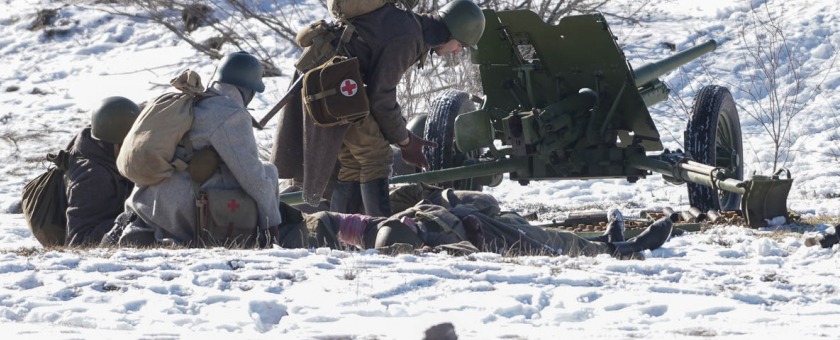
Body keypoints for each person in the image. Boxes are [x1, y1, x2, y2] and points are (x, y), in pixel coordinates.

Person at [272, 0, 487, 217]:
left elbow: (379, 94)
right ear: (449, 33)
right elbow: (380, 98)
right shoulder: (409, 37)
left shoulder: (410, 27)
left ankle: (344, 230)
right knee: (377, 157)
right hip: (336, 87)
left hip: (334, 85)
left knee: (354, 163)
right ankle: (380, 228)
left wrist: (402, 134)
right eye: (460, 45)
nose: (457, 51)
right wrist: (405, 141)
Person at [110, 52, 281, 247]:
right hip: (179, 212)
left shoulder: (195, 101)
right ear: (249, 89)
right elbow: (252, 176)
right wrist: (272, 227)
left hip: (147, 203)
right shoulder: (230, 113)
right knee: (268, 172)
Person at [276, 187, 673, 260]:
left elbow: (337, 221)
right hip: (483, 234)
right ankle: (621, 250)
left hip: (463, 212)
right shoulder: (419, 247)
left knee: (517, 219)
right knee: (537, 238)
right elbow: (464, 255)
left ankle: (606, 242)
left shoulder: (380, 229)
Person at [64, 96, 139, 246]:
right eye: (130, 143)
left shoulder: (98, 149)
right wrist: (126, 221)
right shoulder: (94, 177)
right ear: (115, 144)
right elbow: (77, 241)